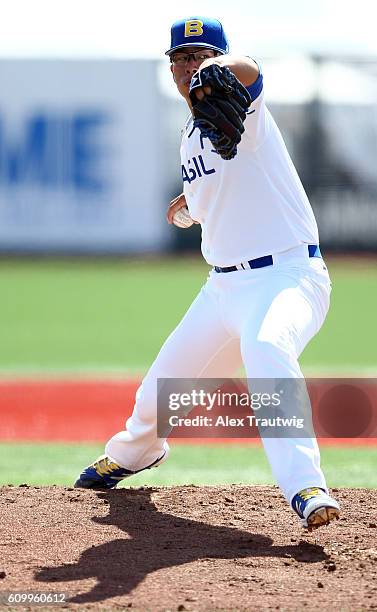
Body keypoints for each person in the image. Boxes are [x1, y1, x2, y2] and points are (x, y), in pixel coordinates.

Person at [75, 16, 340, 531]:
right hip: (223, 290)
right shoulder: (191, 132)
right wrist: (188, 207)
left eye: (200, 56)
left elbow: (250, 72)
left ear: (218, 59)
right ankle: (136, 452)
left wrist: (222, 68)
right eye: (180, 58)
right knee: (159, 391)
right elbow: (215, 192)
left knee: (266, 349)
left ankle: (305, 486)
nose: (189, 66)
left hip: (287, 277)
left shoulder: (245, 103)